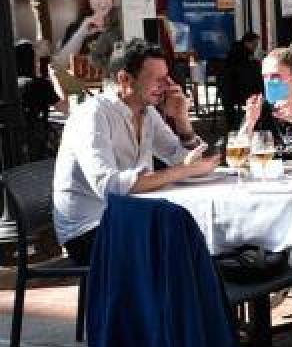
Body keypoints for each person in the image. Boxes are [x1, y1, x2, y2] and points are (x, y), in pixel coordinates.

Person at [52, 40, 220, 265]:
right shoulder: (93, 114)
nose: (167, 85)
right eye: (158, 79)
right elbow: (110, 188)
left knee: (202, 236)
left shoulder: (148, 112)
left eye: (166, 77)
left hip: (131, 217)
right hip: (90, 230)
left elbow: (184, 160)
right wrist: (183, 170)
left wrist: (181, 120)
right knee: (184, 244)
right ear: (125, 79)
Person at [55, 0, 123, 73]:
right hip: (89, 85)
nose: (103, 2)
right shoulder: (76, 28)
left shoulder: (121, 24)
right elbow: (60, 66)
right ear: (86, 0)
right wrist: (81, 33)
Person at [16, 40, 69, 160]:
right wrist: (55, 78)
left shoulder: (10, 86)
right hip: (36, 143)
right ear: (30, 62)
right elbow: (65, 108)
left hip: (15, 143)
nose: (38, 63)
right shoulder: (39, 84)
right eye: (36, 59)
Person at [220, 31, 263, 128]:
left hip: (226, 91)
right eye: (254, 44)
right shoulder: (243, 55)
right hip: (236, 91)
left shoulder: (235, 50)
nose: (255, 47)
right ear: (247, 43)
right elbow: (247, 76)